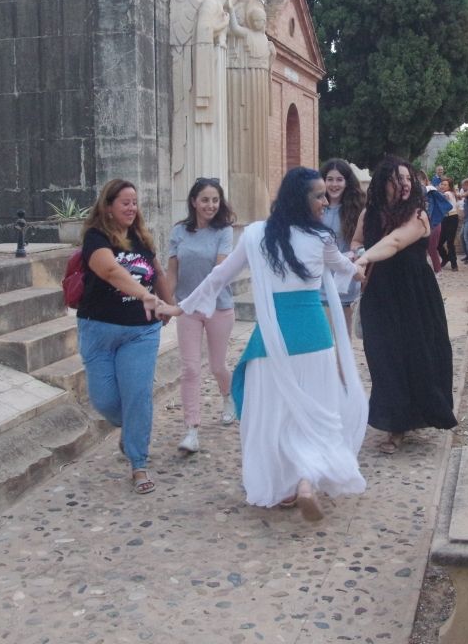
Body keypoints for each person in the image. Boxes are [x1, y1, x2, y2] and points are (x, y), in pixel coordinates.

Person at [160, 168, 368, 521]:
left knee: (275, 416)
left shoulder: (256, 235)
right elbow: (346, 269)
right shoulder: (321, 238)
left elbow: (219, 278)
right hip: (315, 339)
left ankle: (286, 485)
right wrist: (361, 265)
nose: (324, 201)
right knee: (317, 414)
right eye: (318, 196)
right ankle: (306, 481)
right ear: (300, 200)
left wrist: (182, 306)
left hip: (272, 342)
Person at [76, 179, 175, 495]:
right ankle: (131, 429)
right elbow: (109, 271)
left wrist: (167, 303)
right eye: (125, 202)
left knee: (137, 395)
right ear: (108, 206)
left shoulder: (142, 238)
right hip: (98, 330)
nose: (132, 208)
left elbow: (157, 273)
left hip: (140, 331)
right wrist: (143, 295)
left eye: (135, 202)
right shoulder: (96, 238)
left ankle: (138, 463)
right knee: (104, 400)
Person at [353, 157, 457, 454]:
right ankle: (394, 422)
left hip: (414, 295)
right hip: (380, 294)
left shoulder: (419, 215)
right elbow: (356, 241)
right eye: (398, 178)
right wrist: (354, 254)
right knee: (384, 357)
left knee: (416, 355)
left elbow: (396, 242)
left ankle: (411, 418)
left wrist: (363, 257)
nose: (406, 183)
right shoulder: (368, 214)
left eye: (409, 178)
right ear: (384, 182)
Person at [166, 177, 238, 454]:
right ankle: (191, 429)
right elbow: (172, 271)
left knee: (217, 366)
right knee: (190, 369)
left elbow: (218, 275)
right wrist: (167, 301)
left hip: (219, 306)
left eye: (215, 200)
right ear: (194, 202)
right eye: (205, 199)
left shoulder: (224, 232)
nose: (210, 205)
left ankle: (228, 395)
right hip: (187, 308)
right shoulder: (179, 232)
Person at [319, 159, 365, 339]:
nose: (334, 184)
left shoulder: (357, 210)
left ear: (347, 182)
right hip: (318, 283)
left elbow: (362, 243)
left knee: (342, 342)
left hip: (343, 283)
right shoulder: (313, 208)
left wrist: (357, 255)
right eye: (329, 179)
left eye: (339, 179)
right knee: (322, 342)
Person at [436, 177, 460, 271]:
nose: (442, 186)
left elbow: (445, 197)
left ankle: (454, 264)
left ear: (449, 186)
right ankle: (446, 258)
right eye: (442, 184)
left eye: (445, 184)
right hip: (446, 218)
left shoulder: (447, 193)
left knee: (450, 242)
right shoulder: (452, 193)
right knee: (439, 243)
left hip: (452, 218)